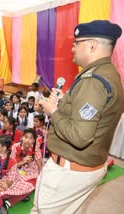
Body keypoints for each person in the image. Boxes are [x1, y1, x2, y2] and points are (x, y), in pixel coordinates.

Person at [33, 20, 124, 213]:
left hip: (68, 171)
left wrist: (53, 112)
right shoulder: (107, 74)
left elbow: (81, 136)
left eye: (77, 42)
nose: (73, 48)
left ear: (92, 45)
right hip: (85, 166)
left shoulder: (94, 81)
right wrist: (65, 102)